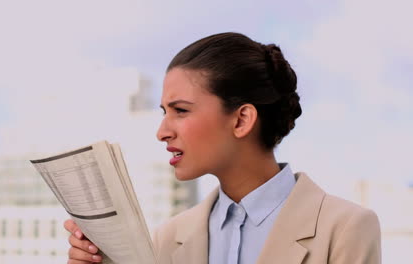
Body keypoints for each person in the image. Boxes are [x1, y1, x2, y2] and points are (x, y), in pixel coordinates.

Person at [64, 32, 381, 264]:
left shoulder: (346, 228)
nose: (162, 132)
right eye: (164, 112)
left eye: (181, 110)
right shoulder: (167, 239)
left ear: (242, 119)